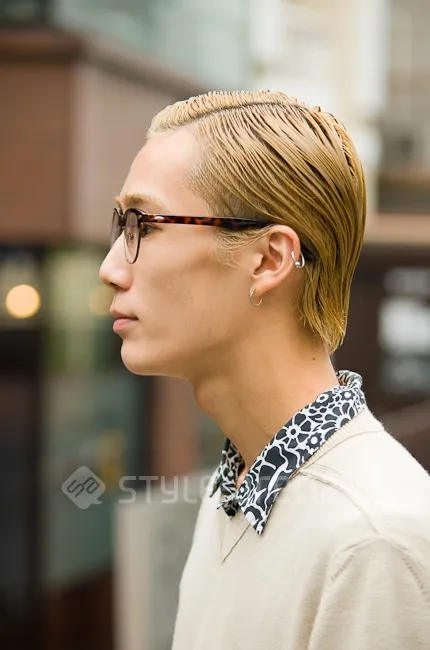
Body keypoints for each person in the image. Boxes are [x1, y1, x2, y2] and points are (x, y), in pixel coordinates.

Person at [99, 91, 430, 650]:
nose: (111, 267)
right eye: (120, 225)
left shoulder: (373, 541)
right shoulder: (235, 493)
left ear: (270, 259)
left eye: (145, 226)